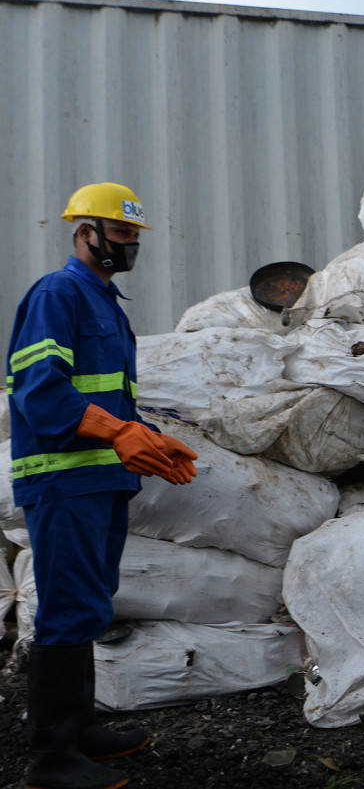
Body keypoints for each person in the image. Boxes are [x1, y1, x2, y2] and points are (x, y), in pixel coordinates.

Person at [8, 182, 199, 789]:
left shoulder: (106, 304)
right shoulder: (58, 294)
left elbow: (109, 397)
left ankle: (80, 727)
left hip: (99, 480)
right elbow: (39, 391)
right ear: (85, 233)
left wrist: (145, 435)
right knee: (66, 607)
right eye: (120, 235)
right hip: (63, 481)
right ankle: (51, 758)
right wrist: (118, 433)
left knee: (91, 601)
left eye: (135, 238)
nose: (129, 246)